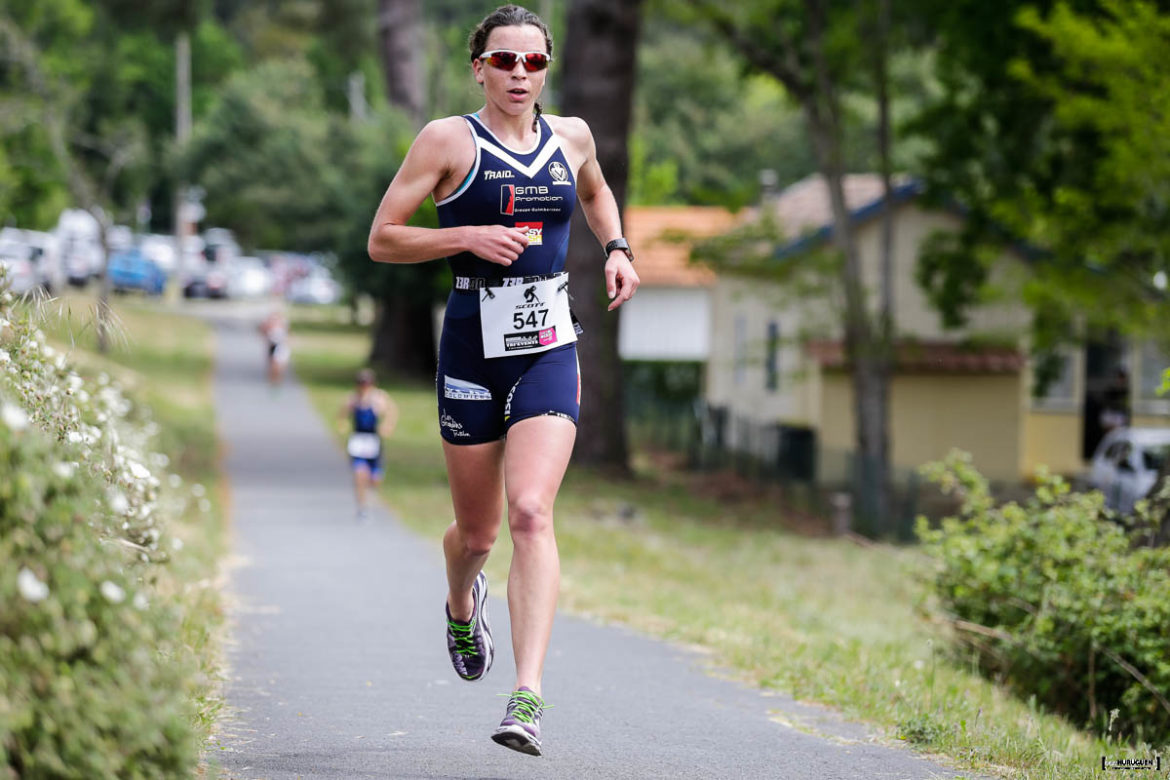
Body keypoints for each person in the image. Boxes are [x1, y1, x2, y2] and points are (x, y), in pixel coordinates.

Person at [366, 4, 639, 757]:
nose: (521, 75)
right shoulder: (447, 141)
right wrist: (464, 235)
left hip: (549, 341)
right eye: (505, 61)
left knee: (529, 513)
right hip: (470, 344)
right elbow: (382, 238)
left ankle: (528, 697)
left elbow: (594, 190)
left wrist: (616, 246)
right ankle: (461, 599)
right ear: (478, 66)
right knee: (478, 533)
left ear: (547, 69)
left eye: (534, 63)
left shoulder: (571, 136)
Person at [338, 368, 398, 522]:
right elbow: (342, 413)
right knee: (359, 474)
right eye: (361, 383)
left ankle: (369, 493)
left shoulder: (378, 399)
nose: (364, 386)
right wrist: (342, 424)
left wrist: (387, 426)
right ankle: (362, 507)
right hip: (358, 441)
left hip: (373, 442)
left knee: (374, 479)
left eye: (367, 383)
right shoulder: (353, 399)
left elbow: (392, 412)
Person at [258, 309, 290, 386]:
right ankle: (272, 381)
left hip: (280, 346)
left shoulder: (282, 325)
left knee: (279, 364)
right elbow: (263, 333)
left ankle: (277, 381)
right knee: (272, 364)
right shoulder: (268, 326)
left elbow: (287, 335)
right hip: (272, 345)